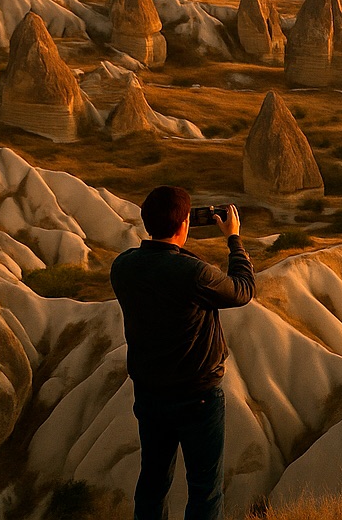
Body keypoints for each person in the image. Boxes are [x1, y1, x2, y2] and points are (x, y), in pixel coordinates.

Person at [111, 187, 255, 520]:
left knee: (152, 483)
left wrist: (175, 246)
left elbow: (164, 267)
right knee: (205, 491)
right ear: (185, 223)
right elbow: (243, 289)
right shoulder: (193, 273)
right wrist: (233, 238)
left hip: (150, 396)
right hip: (197, 398)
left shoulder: (123, 267)